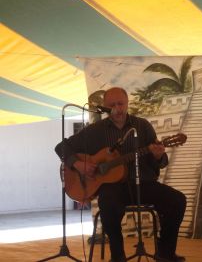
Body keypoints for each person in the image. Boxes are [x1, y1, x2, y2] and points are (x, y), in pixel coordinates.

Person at [55, 87, 187, 262]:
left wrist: (158, 155)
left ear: (127, 104)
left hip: (143, 184)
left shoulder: (142, 126)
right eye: (112, 105)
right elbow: (61, 147)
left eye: (120, 104)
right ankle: (118, 257)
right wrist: (78, 164)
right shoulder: (95, 131)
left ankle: (165, 253)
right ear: (105, 107)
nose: (117, 108)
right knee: (107, 203)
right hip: (112, 187)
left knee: (177, 200)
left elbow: (160, 163)